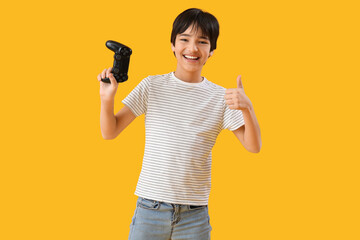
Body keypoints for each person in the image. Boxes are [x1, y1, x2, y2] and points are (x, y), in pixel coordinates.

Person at [97, 8, 261, 240]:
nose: (192, 48)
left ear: (211, 50)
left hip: (194, 216)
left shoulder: (220, 97)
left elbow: (253, 146)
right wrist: (107, 98)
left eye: (202, 42)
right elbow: (109, 131)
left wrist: (248, 108)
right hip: (150, 210)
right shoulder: (151, 86)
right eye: (184, 39)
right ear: (173, 45)